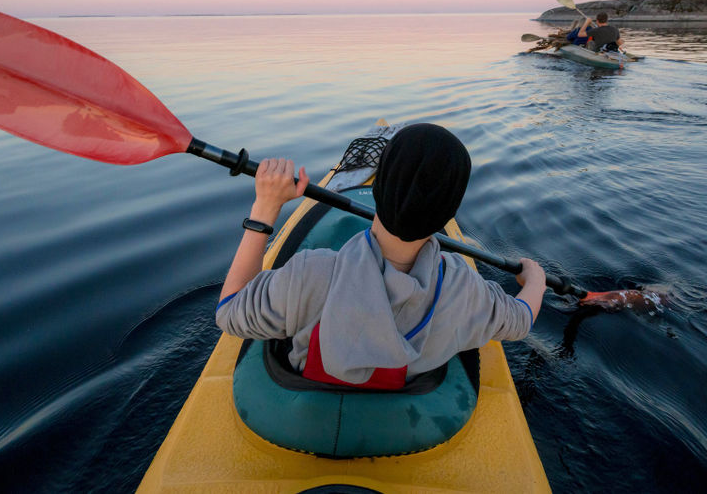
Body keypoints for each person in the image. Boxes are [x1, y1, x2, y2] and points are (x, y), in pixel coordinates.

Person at [215, 123, 548, 388]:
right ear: (450, 210)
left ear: (376, 188)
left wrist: (265, 208)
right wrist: (536, 279)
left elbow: (229, 311)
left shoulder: (309, 274)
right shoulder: (466, 290)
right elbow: (520, 320)